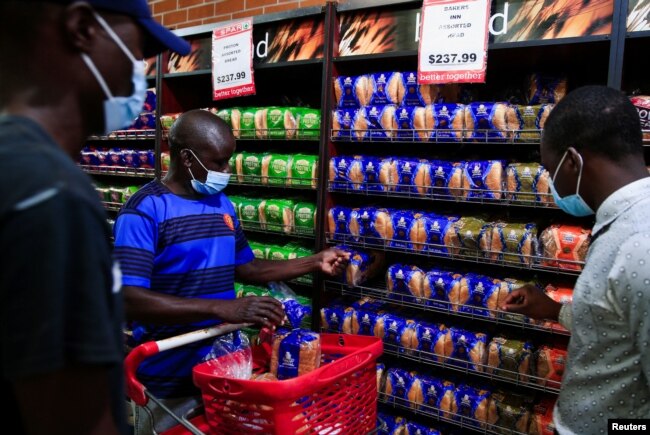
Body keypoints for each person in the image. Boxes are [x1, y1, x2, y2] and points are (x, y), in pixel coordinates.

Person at [0, 1, 190, 434]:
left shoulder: (15, 166)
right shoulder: (50, 193)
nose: (138, 73)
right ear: (83, 28)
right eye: (138, 50)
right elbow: (74, 418)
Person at [113, 109, 350, 434]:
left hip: (224, 371)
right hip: (169, 380)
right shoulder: (145, 210)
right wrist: (226, 308)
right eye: (219, 162)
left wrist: (313, 261)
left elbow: (246, 267)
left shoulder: (221, 204)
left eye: (229, 161)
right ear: (186, 157)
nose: (226, 171)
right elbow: (129, 300)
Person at [502, 85, 650, 433]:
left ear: (572, 162)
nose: (551, 182)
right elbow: (617, 326)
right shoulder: (623, 224)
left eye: (549, 169)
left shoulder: (640, 244)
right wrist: (554, 310)